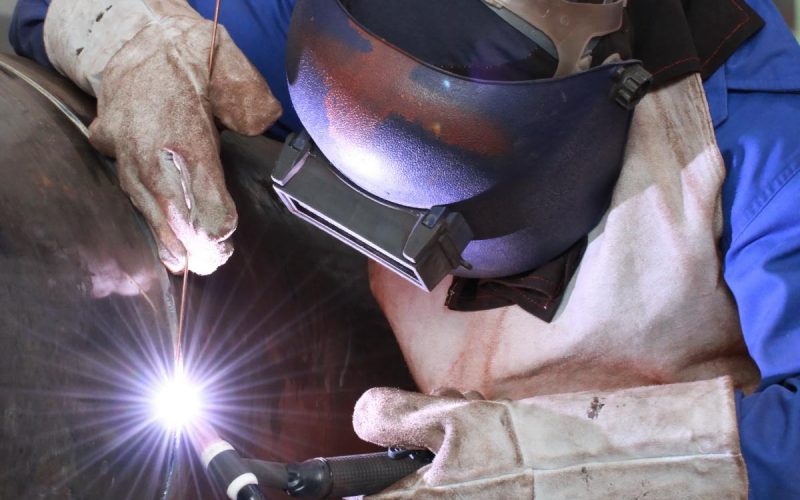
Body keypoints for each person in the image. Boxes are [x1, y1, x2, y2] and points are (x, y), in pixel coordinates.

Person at [9, 0, 800, 497]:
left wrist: (550, 464)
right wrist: (138, 47)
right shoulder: (342, 18)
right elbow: (44, 12)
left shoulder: (760, 133)